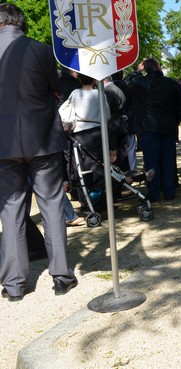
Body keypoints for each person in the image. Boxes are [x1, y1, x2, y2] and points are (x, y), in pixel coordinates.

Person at [0, 3, 77, 301]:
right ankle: (61, 276)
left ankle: (15, 285)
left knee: (11, 211)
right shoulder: (43, 50)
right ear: (21, 23)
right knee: (53, 205)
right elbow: (55, 90)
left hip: (4, 145)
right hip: (43, 139)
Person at [124, 58, 181, 202]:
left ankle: (154, 193)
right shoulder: (172, 84)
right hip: (168, 128)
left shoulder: (141, 83)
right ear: (159, 67)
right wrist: (175, 121)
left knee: (151, 162)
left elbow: (126, 82)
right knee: (169, 160)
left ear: (146, 68)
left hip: (149, 128)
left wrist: (137, 70)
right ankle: (169, 191)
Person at [63, 73, 110, 204]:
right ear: (95, 78)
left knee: (82, 169)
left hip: (79, 134)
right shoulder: (100, 94)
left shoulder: (75, 93)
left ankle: (86, 200)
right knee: (100, 167)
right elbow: (107, 116)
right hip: (98, 133)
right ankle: (100, 199)